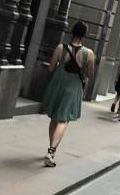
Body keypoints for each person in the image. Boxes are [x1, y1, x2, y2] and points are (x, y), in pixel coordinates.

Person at [41, 21, 95, 167]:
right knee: (63, 119)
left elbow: (51, 68)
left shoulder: (60, 48)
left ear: (72, 32)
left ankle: (50, 148)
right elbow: (89, 74)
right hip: (74, 86)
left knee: (54, 117)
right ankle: (51, 151)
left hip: (58, 84)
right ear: (84, 35)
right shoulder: (89, 53)